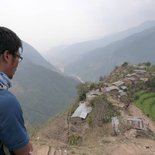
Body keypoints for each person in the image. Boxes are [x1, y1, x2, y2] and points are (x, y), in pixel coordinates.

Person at [0, 27, 33, 155]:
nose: (18, 62)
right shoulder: (6, 102)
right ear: (7, 56)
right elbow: (24, 151)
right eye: (18, 56)